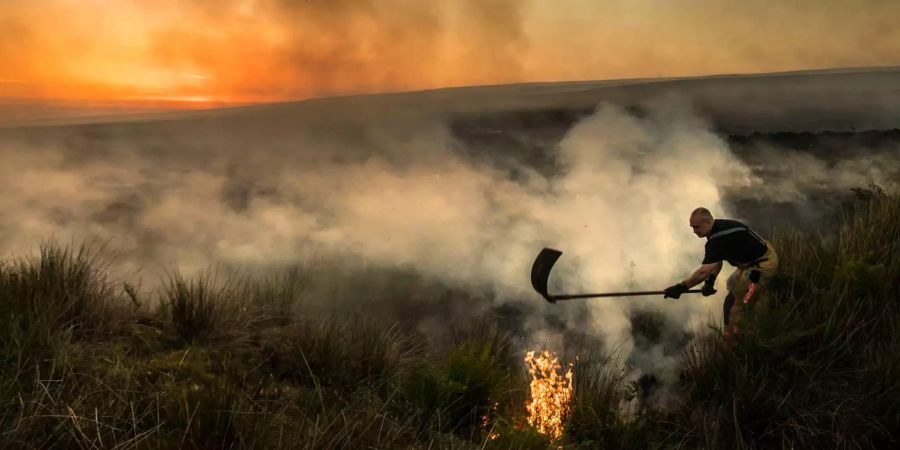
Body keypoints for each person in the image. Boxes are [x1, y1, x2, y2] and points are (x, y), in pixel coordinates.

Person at [662, 207, 779, 337]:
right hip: (754, 262)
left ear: (707, 223)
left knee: (734, 304)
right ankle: (757, 299)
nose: (694, 231)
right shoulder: (718, 228)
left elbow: (703, 271)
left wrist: (681, 288)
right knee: (732, 284)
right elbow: (717, 260)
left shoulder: (718, 238)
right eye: (692, 227)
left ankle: (734, 340)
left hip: (760, 268)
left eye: (696, 227)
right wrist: (710, 282)